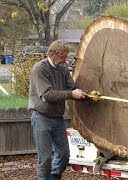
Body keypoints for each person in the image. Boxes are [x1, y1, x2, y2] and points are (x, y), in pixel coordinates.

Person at [28, 40, 87, 180]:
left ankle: (54, 178)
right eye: (63, 57)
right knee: (45, 158)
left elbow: (71, 88)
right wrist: (71, 94)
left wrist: (87, 94)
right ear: (53, 55)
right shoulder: (39, 69)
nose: (65, 60)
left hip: (57, 118)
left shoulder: (63, 68)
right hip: (41, 118)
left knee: (64, 155)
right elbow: (47, 95)